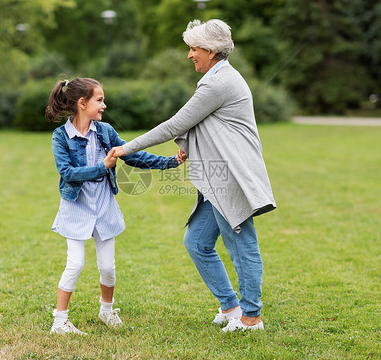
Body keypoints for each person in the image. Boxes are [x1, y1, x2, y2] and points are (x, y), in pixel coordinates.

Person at [111, 19, 276, 332]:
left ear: (211, 51)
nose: (189, 55)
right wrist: (190, 147)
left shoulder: (218, 82)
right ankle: (231, 307)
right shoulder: (218, 78)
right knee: (197, 242)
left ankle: (251, 318)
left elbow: (175, 124)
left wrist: (126, 148)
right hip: (217, 178)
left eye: (193, 48)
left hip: (231, 176)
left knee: (242, 247)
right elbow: (207, 125)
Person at [46, 77, 186, 335]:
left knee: (108, 266)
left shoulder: (105, 132)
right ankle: (59, 322)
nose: (104, 105)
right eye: (99, 100)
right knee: (75, 263)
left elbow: (133, 156)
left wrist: (170, 162)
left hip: (104, 205)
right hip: (76, 206)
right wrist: (103, 166)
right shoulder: (61, 136)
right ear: (82, 103)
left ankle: (106, 312)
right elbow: (67, 173)